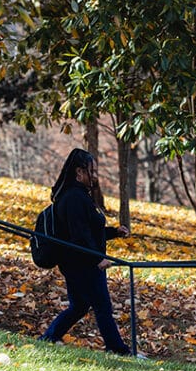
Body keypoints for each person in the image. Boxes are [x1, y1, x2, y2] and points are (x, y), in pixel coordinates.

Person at [39, 149, 132, 355]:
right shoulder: (73, 197)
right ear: (79, 172)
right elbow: (79, 234)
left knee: (79, 306)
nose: (95, 175)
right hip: (81, 263)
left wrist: (114, 232)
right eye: (92, 171)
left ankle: (49, 337)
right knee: (102, 306)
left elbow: (90, 231)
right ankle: (117, 349)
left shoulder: (79, 195)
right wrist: (97, 259)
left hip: (78, 261)